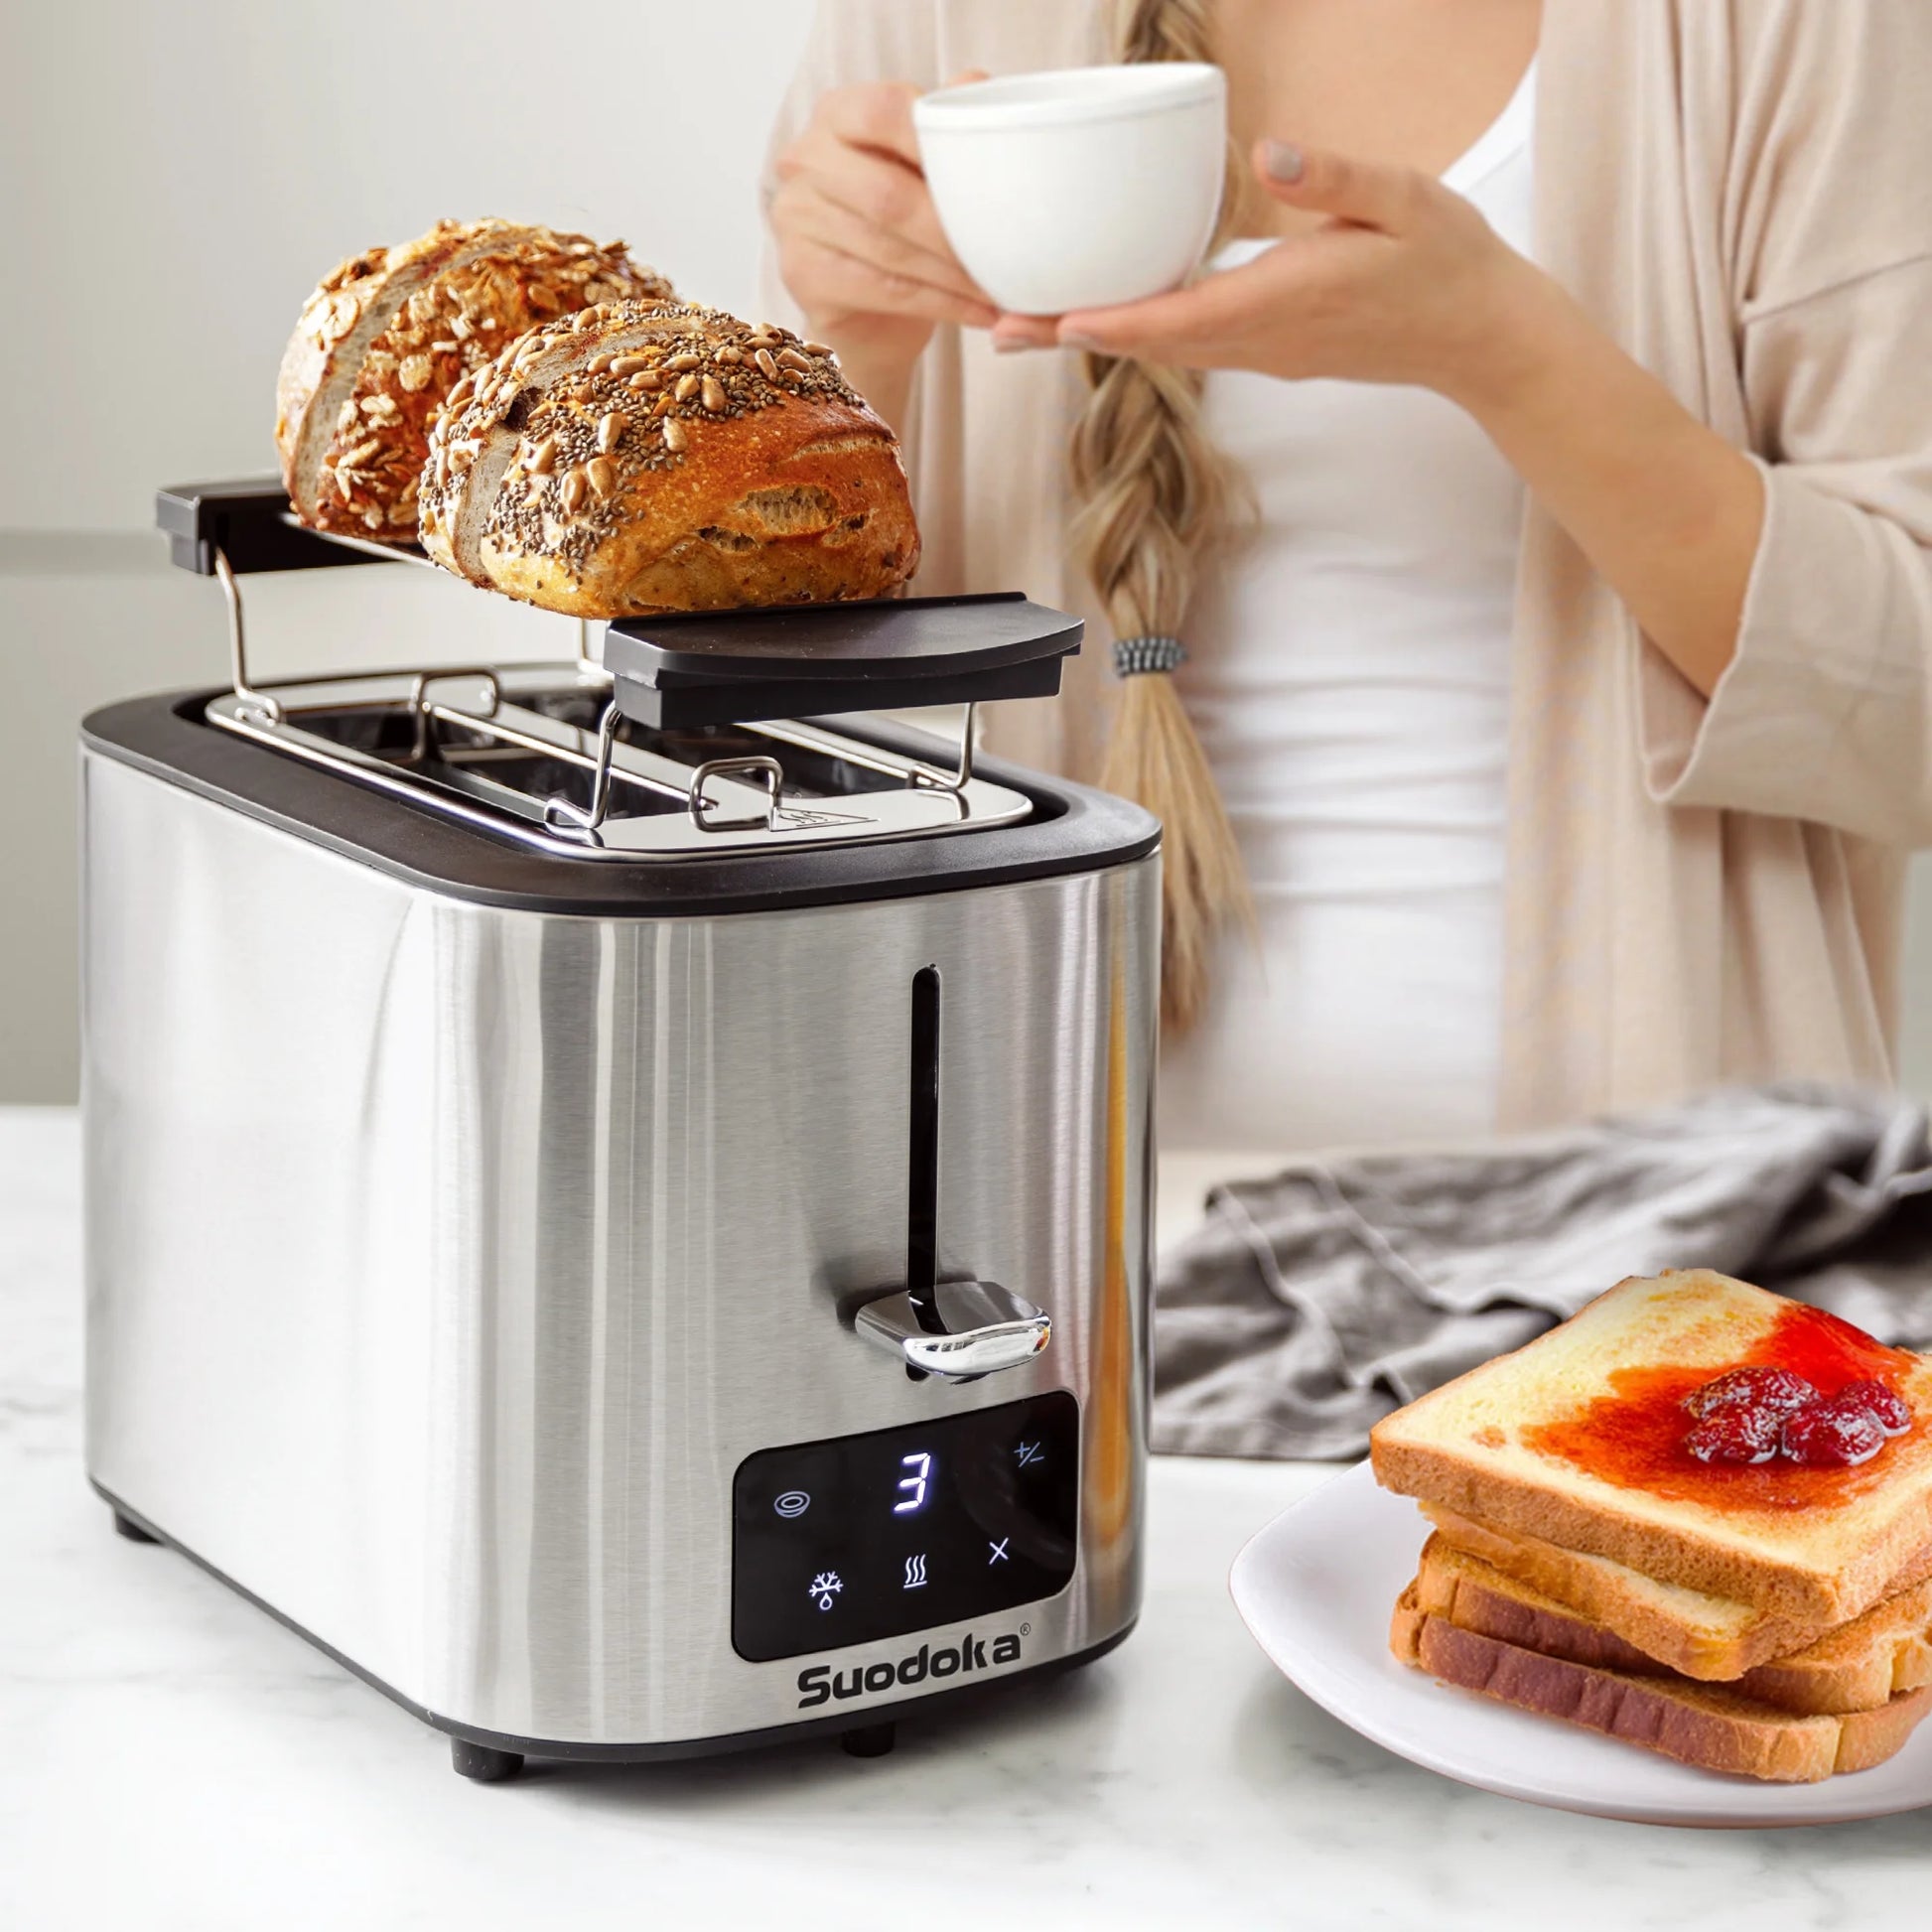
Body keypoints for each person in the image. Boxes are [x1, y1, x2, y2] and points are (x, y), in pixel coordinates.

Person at [760, 0, 1932, 1152]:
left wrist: (1508, 357)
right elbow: (748, 762)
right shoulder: (921, 24)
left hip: (1631, 1231)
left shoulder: (1795, 26)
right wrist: (844, 362)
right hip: (1025, 1226)